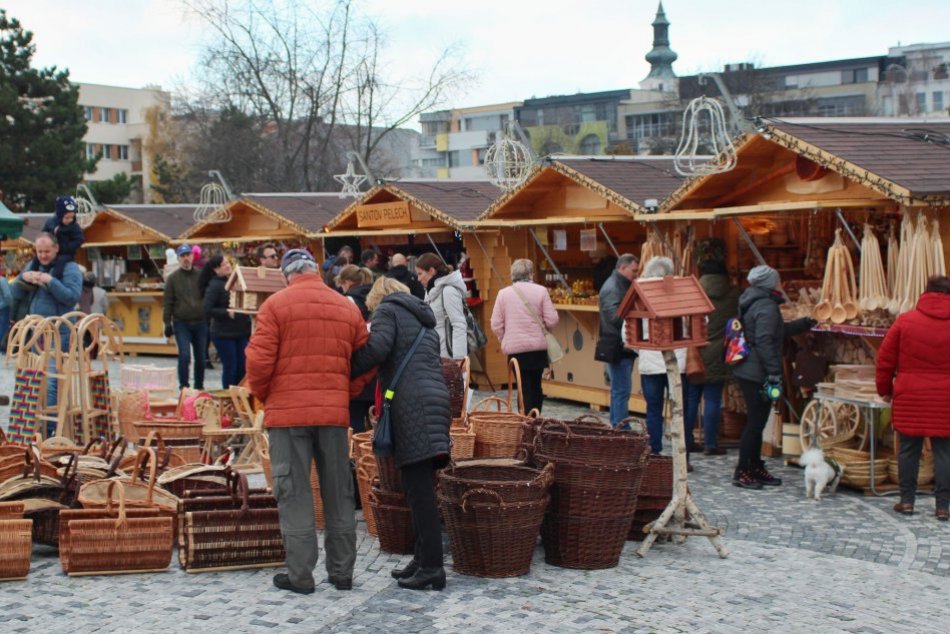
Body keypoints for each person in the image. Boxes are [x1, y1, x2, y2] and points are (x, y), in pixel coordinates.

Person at [246, 248, 369, 594]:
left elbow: (258, 362)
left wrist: (265, 395)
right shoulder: (346, 306)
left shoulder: (274, 306)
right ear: (318, 271)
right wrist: (344, 391)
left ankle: (300, 576)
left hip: (287, 417)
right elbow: (367, 357)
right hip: (332, 413)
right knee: (339, 493)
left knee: (295, 493)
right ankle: (342, 573)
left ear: (287, 275)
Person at [350, 276, 451, 591]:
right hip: (434, 402)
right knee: (418, 487)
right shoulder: (423, 318)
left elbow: (378, 349)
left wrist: (347, 365)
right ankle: (422, 559)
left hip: (412, 406)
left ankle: (432, 567)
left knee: (419, 492)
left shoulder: (386, 311)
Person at [732, 265, 815, 490]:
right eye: (778, 280)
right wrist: (774, 373)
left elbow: (773, 332)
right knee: (756, 422)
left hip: (749, 368)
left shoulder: (754, 300)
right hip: (756, 371)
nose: (780, 284)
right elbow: (766, 341)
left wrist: (802, 324)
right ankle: (743, 471)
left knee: (757, 422)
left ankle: (754, 466)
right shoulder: (767, 306)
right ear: (770, 284)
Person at [876, 276, 950, 521]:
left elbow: (885, 360)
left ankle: (906, 501)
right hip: (945, 397)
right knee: (945, 452)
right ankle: (943, 506)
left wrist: (884, 389)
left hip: (911, 394)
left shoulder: (905, 321)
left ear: (925, 293)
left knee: (908, 449)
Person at [10, 233, 83, 433]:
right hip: (36, 332)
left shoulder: (69, 268)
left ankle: (50, 427)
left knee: (51, 380)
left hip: (59, 333)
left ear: (56, 248)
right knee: (33, 377)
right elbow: (14, 295)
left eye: (46, 251)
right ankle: (36, 424)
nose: (42, 255)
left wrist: (50, 281)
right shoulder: (34, 264)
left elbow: (72, 297)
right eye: (39, 251)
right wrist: (22, 278)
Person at [631, 257, 689, 460]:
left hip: (649, 363)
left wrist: (644, 351)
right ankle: (682, 452)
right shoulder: (681, 292)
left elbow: (627, 333)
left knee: (653, 409)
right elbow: (700, 322)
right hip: (677, 361)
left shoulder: (638, 294)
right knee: (679, 409)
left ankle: (654, 449)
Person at [685, 259, 740, 456]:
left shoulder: (694, 293)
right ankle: (710, 443)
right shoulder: (734, 294)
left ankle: (687, 441)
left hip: (695, 352)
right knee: (713, 399)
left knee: (691, 398)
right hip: (718, 352)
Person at [490, 258, 559, 414]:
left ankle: (524, 419)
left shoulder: (503, 294)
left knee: (523, 387)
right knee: (536, 386)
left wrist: (504, 339)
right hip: (537, 349)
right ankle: (535, 418)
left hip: (515, 351)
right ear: (530, 273)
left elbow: (496, 324)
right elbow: (552, 320)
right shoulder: (541, 291)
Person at [596, 253, 639, 426]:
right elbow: (614, 318)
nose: (635, 274)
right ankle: (621, 427)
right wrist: (636, 319)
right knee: (621, 390)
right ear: (622, 267)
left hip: (620, 345)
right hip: (617, 345)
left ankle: (618, 425)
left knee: (619, 390)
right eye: (633, 270)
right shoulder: (612, 287)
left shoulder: (620, 285)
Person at [200, 254, 251, 389]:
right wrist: (226, 313)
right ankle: (228, 396)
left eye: (228, 263)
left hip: (241, 331)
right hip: (223, 333)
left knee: (243, 365)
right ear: (216, 270)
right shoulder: (215, 285)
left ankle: (241, 395)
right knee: (231, 366)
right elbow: (207, 308)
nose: (227, 266)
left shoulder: (236, 280)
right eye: (223, 264)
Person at [336, 264, 376, 432]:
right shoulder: (377, 296)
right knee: (377, 417)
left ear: (347, 282)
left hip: (356, 367)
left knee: (355, 420)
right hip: (377, 366)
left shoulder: (346, 303)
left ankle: (357, 456)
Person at [163, 244, 207, 390]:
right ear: (178, 259)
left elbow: (208, 297)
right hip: (181, 323)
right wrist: (167, 323)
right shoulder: (173, 279)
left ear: (193, 256)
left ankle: (199, 386)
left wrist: (210, 317)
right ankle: (184, 386)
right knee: (185, 355)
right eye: (182, 256)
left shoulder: (201, 275)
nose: (186, 258)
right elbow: (168, 301)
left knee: (201, 357)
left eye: (188, 255)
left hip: (201, 322)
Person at [415, 252, 467, 360]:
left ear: (431, 271)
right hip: (435, 355)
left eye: (420, 274)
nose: (418, 279)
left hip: (448, 357)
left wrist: (459, 358)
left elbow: (459, 324)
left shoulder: (448, 291)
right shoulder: (430, 291)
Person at [40, 196, 84, 280]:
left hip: (66, 253)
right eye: (67, 218)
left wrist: (68, 247)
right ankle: (33, 275)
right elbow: (44, 233)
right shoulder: (51, 223)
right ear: (60, 216)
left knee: (60, 262)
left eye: (72, 217)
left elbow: (79, 239)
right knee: (39, 259)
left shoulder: (74, 227)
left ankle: (55, 279)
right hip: (51, 250)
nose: (70, 220)